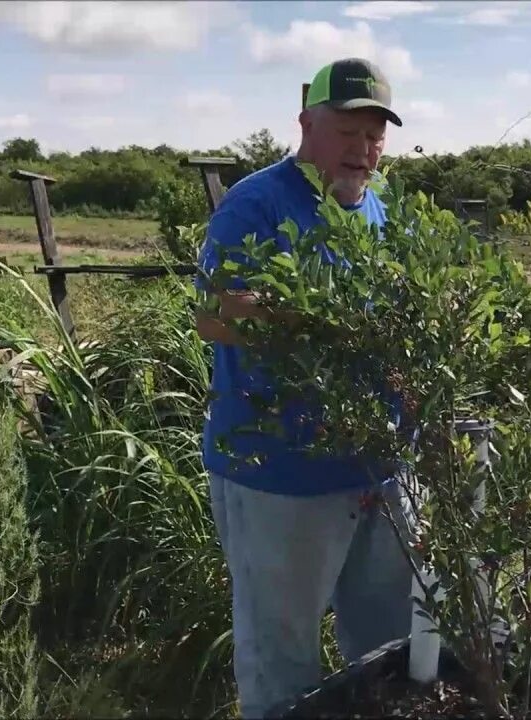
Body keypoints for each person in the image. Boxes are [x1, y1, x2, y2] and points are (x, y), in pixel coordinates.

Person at [194, 58, 416, 719]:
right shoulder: (257, 203)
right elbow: (216, 314)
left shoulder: (382, 215)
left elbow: (394, 337)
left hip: (378, 476)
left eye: (375, 133)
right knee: (281, 664)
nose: (363, 149)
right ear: (307, 124)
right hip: (279, 477)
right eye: (348, 130)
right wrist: (323, 319)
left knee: (386, 653)